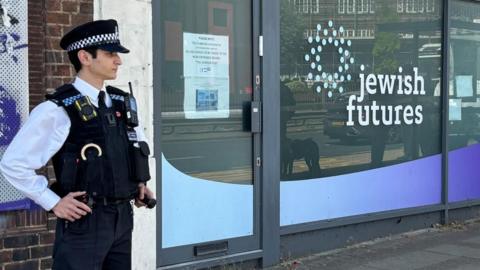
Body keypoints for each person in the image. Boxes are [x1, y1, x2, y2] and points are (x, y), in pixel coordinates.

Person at [0, 19, 154, 270]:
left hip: (122, 219)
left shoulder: (120, 102)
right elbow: (13, 163)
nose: (118, 60)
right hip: (84, 222)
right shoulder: (57, 109)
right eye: (110, 53)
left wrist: (138, 183)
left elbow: (134, 147)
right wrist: (53, 202)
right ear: (84, 56)